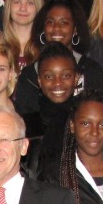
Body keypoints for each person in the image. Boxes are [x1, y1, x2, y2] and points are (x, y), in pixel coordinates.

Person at [13, 0, 103, 117]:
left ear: (75, 29)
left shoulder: (91, 70)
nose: (56, 28)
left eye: (64, 23)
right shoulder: (29, 75)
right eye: (50, 22)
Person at [20, 42, 79, 176]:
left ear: (76, 78)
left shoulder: (84, 121)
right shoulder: (26, 125)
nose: (57, 83)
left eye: (65, 76)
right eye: (48, 76)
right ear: (39, 81)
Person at [2, 0, 43, 72]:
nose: (23, 8)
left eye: (30, 3)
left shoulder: (47, 47)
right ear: (9, 6)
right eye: (17, 2)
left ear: (38, 6)